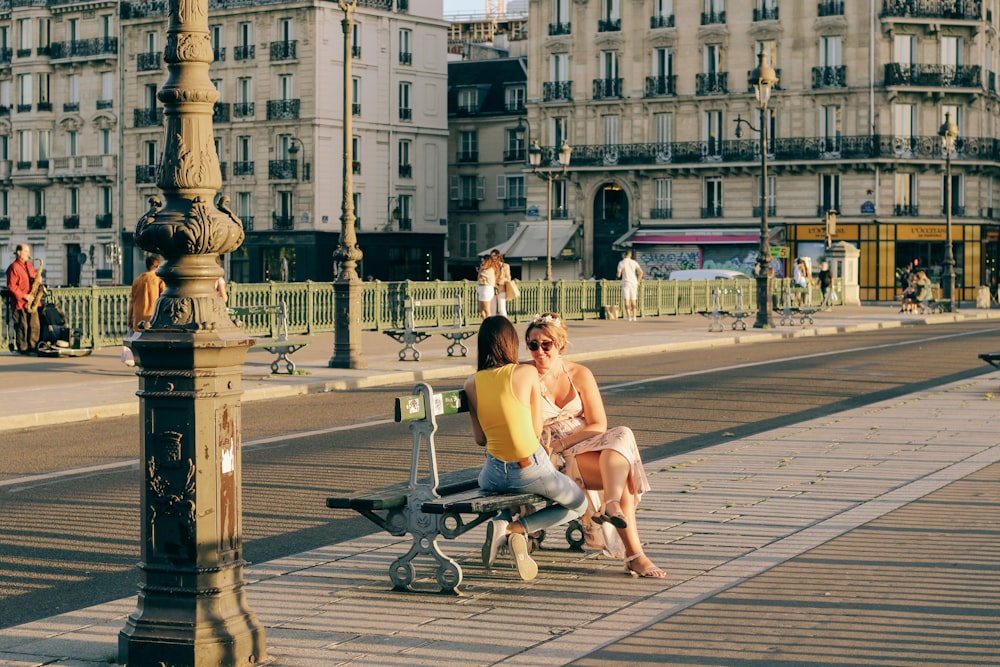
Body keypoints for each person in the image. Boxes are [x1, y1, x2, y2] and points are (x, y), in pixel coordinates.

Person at [523, 312, 665, 578]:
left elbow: (598, 424)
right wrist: (555, 445)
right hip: (551, 453)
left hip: (583, 441)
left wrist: (565, 441)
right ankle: (635, 554)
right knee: (623, 478)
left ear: (560, 345)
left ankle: (611, 504)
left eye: (546, 344)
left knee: (623, 434)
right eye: (532, 344)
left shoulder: (579, 373)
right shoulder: (525, 374)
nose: (539, 351)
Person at [464, 316, 588, 581]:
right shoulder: (526, 373)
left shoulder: (471, 383)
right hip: (528, 469)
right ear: (511, 343)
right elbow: (534, 431)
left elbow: (479, 439)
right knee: (579, 504)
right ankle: (515, 529)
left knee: (507, 489)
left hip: (492, 474)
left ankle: (502, 521)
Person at [5, 244, 41, 354]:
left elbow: (35, 278)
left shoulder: (29, 265)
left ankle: (33, 347)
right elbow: (11, 286)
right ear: (19, 253)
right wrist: (25, 296)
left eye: (29, 252)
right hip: (20, 303)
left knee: (35, 325)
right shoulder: (13, 267)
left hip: (32, 301)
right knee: (22, 327)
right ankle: (23, 349)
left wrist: (39, 279)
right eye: (26, 252)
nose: (28, 254)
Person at [127, 255, 165, 333]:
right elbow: (164, 300)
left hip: (138, 319)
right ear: (157, 266)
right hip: (153, 318)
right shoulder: (159, 280)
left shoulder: (137, 280)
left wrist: (129, 319)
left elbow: (132, 301)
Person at [616, 249, 643, 321]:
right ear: (630, 254)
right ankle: (634, 316)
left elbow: (618, 275)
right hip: (634, 283)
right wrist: (638, 281)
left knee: (626, 300)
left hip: (626, 282)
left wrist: (617, 274)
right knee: (633, 300)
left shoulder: (621, 263)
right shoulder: (634, 262)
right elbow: (641, 272)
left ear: (624, 255)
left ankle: (629, 317)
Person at [490, 249, 512, 318]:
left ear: (498, 256)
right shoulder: (490, 266)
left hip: (501, 288)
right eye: (492, 256)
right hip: (492, 288)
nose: (493, 257)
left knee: (502, 308)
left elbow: (508, 278)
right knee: (492, 309)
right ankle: (493, 325)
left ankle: (504, 324)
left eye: (494, 255)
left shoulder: (505, 266)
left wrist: (503, 279)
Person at [476, 254, 497, 319]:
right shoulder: (484, 269)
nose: (482, 262)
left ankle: (489, 324)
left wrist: (480, 270)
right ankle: (485, 322)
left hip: (486, 289)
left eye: (483, 261)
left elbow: (479, 277)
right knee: (481, 309)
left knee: (486, 309)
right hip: (482, 289)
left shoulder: (489, 270)